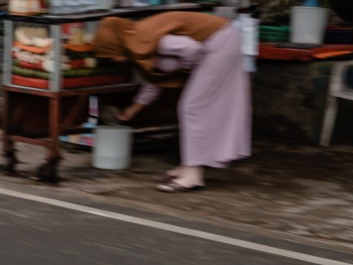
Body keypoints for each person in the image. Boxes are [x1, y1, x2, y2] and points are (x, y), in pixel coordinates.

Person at [93, 12, 250, 194]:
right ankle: (187, 165)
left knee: (192, 108)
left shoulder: (145, 37)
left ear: (116, 43)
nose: (113, 60)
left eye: (110, 54)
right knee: (191, 107)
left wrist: (185, 69)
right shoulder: (138, 44)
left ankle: (193, 175)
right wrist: (132, 111)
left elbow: (191, 49)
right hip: (217, 42)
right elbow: (155, 81)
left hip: (220, 42)